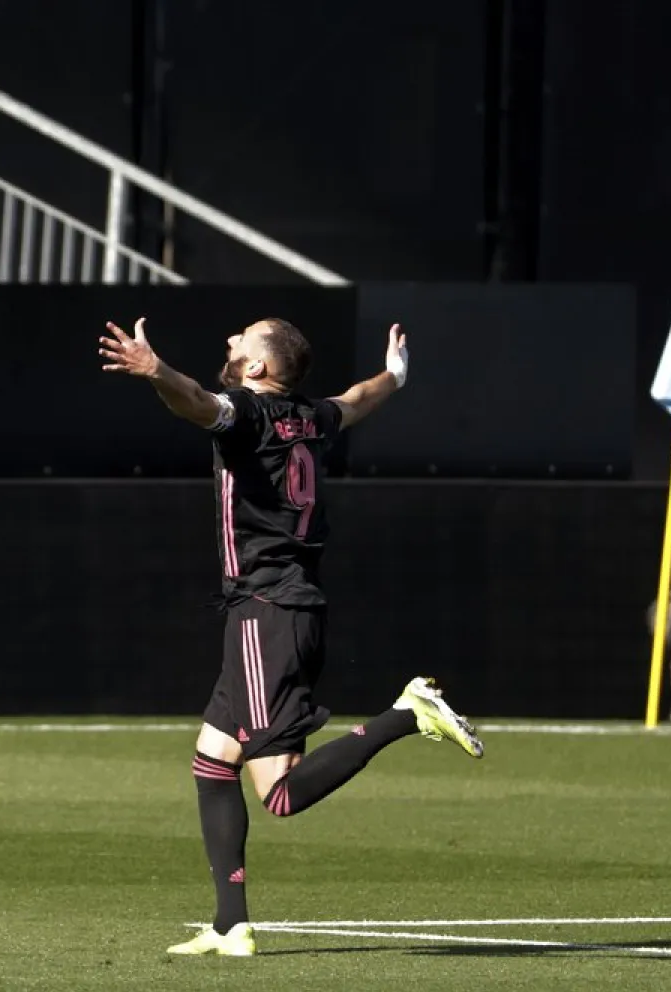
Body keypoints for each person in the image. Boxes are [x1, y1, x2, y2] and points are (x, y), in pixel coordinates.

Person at [97, 316, 484, 957]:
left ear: (257, 370)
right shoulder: (308, 415)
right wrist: (397, 375)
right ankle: (231, 924)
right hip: (276, 604)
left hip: (268, 609)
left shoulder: (247, 414)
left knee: (278, 792)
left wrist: (154, 370)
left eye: (242, 340)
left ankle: (404, 715)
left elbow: (195, 402)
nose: (229, 341)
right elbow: (358, 400)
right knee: (212, 760)